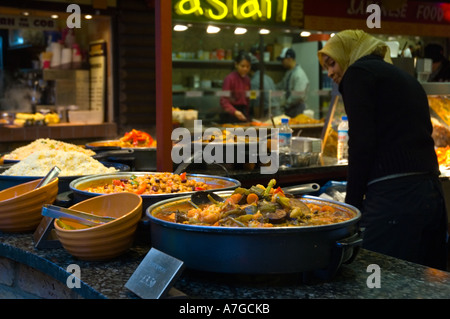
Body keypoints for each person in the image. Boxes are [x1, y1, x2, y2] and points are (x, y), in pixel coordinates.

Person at [318, 30, 448, 270]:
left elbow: (361, 143)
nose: (330, 72)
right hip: (432, 197)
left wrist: (352, 209)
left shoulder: (357, 74)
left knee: (378, 278)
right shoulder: (405, 78)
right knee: (424, 284)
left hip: (395, 199)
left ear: (348, 53)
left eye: (332, 62)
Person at [276, 47, 309, 118]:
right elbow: (281, 85)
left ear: (289, 59)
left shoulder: (299, 74)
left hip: (298, 109)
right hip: (291, 109)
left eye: (283, 60)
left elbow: (298, 95)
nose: (282, 62)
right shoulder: (289, 73)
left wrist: (286, 103)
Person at [220, 51, 251, 123]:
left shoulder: (247, 79)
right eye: (242, 66)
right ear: (236, 65)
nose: (245, 69)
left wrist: (248, 116)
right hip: (231, 114)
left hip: (243, 112)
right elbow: (223, 101)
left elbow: (248, 99)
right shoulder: (229, 79)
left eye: (248, 66)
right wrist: (234, 111)